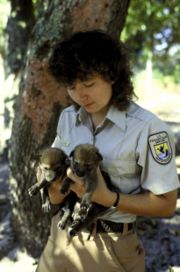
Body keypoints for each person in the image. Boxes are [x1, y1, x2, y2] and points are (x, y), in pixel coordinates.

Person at [35, 30, 179, 272]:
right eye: (71, 87)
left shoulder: (149, 129)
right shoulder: (68, 118)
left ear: (111, 75)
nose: (80, 95)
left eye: (89, 84)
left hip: (109, 247)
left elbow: (166, 205)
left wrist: (108, 198)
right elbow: (55, 190)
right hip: (59, 241)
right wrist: (50, 185)